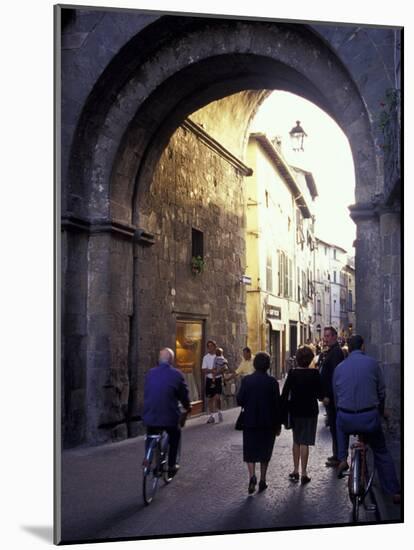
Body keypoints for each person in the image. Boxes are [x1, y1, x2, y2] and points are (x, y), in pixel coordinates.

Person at [333, 335, 401, 503]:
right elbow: (381, 391)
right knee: (381, 451)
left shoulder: (339, 368)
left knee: (339, 423)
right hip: (369, 418)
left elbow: (336, 396)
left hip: (347, 416)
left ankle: (342, 458)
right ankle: (394, 491)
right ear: (362, 347)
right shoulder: (373, 364)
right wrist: (380, 409)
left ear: (348, 348)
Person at [236, 352, 282, 494]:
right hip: (268, 423)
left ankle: (252, 476)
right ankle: (263, 479)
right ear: (268, 365)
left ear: (255, 364)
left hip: (250, 421)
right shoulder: (273, 382)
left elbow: (240, 400)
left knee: (250, 451)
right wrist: (278, 424)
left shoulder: (247, 381)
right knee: (265, 451)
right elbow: (277, 405)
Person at [143, 348, 191, 477]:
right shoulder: (176, 374)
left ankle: (148, 459)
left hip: (150, 414)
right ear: (171, 360)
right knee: (175, 434)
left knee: (151, 434)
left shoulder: (150, 373)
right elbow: (184, 396)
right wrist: (187, 407)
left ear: (159, 360)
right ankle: (171, 466)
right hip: (168, 417)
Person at [281, 345, 323, 484]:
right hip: (310, 411)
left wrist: (283, 410)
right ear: (310, 359)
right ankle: (304, 472)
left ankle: (295, 470)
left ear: (297, 359)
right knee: (305, 442)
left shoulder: (292, 373)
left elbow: (285, 393)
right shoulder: (315, 373)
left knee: (296, 440)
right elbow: (320, 394)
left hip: (295, 411)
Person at [318, 326, 345, 467]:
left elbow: (335, 376)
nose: (326, 339)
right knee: (334, 427)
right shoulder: (331, 352)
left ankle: (339, 456)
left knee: (335, 426)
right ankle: (337, 454)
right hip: (329, 397)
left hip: (332, 398)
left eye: (328, 336)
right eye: (325, 336)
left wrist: (328, 395)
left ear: (335, 336)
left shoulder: (335, 353)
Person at [202, 340, 224, 423]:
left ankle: (219, 412)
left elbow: (224, 367)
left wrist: (219, 371)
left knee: (217, 397)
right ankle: (212, 416)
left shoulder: (219, 356)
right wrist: (212, 370)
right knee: (210, 398)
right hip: (209, 379)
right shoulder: (206, 357)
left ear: (215, 347)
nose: (210, 348)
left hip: (218, 379)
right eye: (208, 346)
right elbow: (203, 370)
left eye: (212, 346)